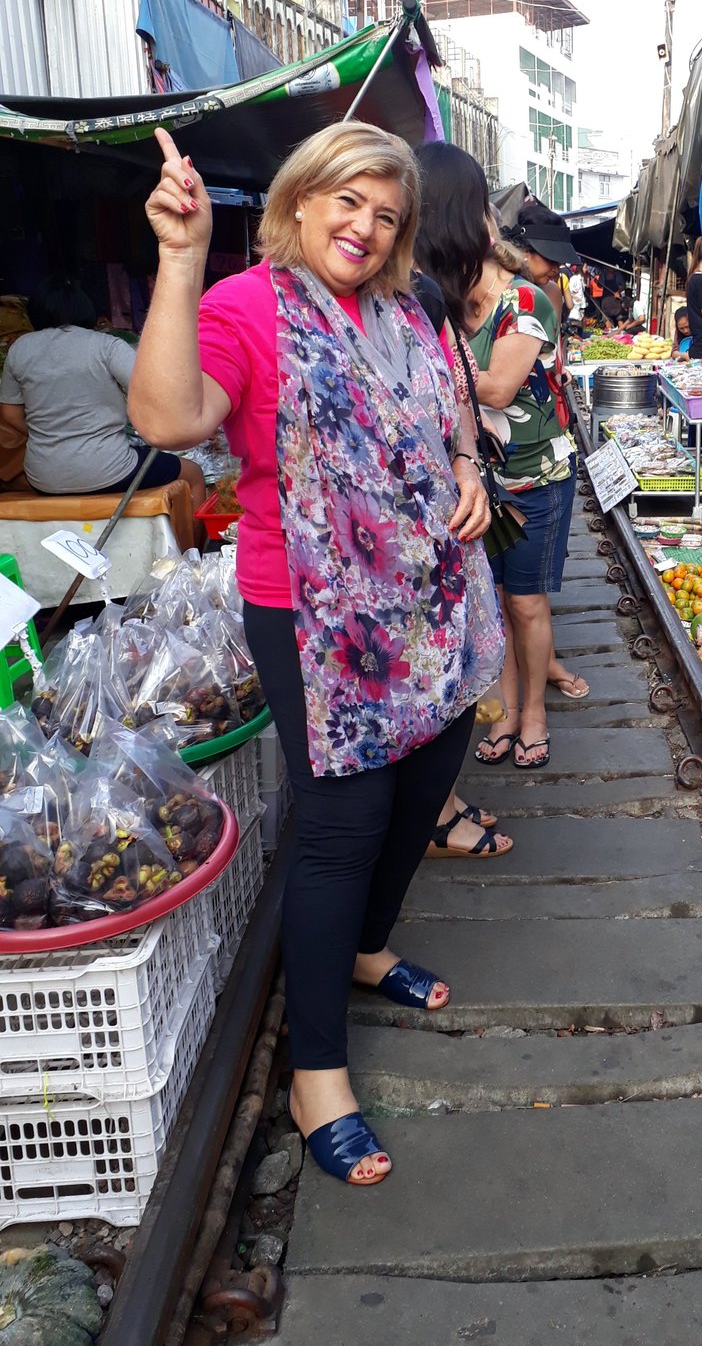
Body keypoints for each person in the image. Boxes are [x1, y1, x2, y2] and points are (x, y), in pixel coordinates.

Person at [129, 122, 502, 1188]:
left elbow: (455, 418)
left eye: (385, 212)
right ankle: (317, 1072)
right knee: (345, 818)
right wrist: (181, 257)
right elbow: (167, 412)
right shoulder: (249, 305)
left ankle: (369, 946)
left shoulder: (409, 306)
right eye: (347, 202)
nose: (365, 226)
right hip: (312, 613)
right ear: (299, 203)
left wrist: (470, 470)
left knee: (430, 779)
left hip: (433, 601)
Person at [415, 148, 578, 769]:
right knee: (493, 599)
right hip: (477, 483)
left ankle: (534, 713)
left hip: (535, 479)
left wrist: (432, 363)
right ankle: (507, 713)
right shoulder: (449, 305)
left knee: (526, 602)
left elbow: (495, 388)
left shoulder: (528, 302)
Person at [0, 279, 206, 519]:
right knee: (194, 474)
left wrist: (50, 431)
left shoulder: (20, 349)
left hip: (44, 477)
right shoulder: (107, 346)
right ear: (85, 310)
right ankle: (194, 553)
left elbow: (9, 415)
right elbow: (153, 391)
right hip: (111, 471)